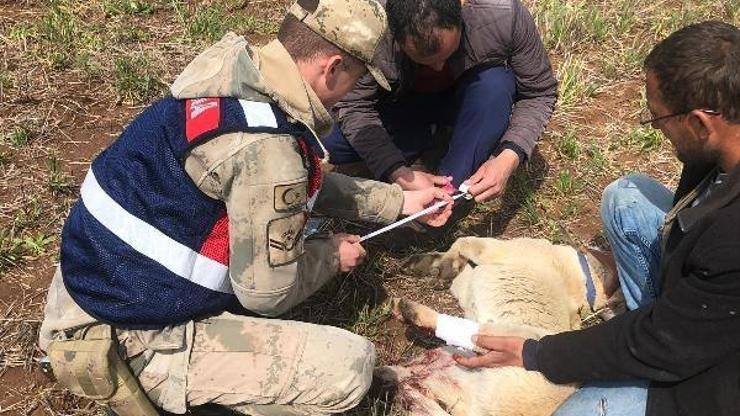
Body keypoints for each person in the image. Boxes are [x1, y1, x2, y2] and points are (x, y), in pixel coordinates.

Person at [38, 0, 453, 414]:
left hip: (92, 280)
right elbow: (268, 294)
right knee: (350, 366)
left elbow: (293, 180)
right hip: (131, 331)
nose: (350, 94)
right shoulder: (269, 152)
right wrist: (330, 256)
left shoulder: (234, 70)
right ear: (333, 67)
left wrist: (398, 201)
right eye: (357, 79)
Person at [453, 21, 740, 416]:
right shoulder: (723, 148)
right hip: (704, 312)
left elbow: (665, 343)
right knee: (625, 198)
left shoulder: (731, 239)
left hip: (715, 378)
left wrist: (538, 353)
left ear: (699, 123)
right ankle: (647, 322)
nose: (657, 129)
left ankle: (644, 357)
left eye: (658, 118)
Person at [326, 0, 557, 205]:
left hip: (470, 98)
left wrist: (508, 157)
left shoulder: (502, 14)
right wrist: (397, 172)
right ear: (393, 35)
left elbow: (539, 93)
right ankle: (427, 137)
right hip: (401, 103)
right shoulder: (370, 27)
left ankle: (447, 196)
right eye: (422, 60)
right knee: (331, 144)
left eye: (448, 54)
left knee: (496, 85)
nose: (437, 68)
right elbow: (354, 105)